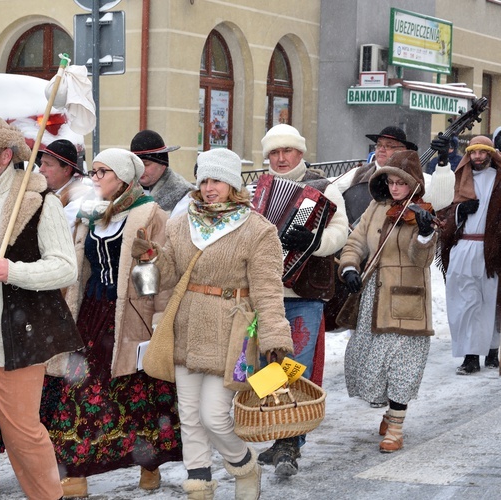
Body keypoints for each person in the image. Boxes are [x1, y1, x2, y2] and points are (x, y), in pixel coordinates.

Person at [132, 148, 293, 499]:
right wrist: (148, 259)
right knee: (189, 417)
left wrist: (275, 337)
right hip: (187, 324)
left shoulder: (257, 230)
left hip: (233, 331)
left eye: (216, 180)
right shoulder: (181, 222)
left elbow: (268, 290)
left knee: (214, 417)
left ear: (234, 184)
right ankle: (199, 487)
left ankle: (244, 465)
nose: (208, 187)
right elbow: (164, 279)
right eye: (204, 180)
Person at [0, 114, 82, 500]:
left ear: (6, 156)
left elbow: (64, 267)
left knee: (24, 438)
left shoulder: (37, 202)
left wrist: (14, 271)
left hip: (15, 345)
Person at [43, 148, 181, 498]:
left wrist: (147, 272)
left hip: (132, 316)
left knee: (138, 393)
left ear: (122, 176)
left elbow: (161, 276)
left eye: (103, 172)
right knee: (81, 391)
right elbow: (79, 266)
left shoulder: (150, 213)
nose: (95, 178)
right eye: (94, 171)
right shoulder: (90, 213)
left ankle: (149, 463)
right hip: (91, 313)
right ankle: (76, 470)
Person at [256, 124, 348, 476]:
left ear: (300, 153)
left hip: (304, 292)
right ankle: (278, 430)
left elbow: (342, 232)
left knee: (297, 367)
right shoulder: (257, 192)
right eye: (274, 153)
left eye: (287, 152)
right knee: (264, 369)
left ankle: (290, 443)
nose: (280, 159)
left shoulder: (325, 189)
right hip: (265, 295)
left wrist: (313, 241)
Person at [338, 149, 437, 453]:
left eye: (401, 183)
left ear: (414, 185)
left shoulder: (423, 214)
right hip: (375, 299)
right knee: (369, 362)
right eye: (391, 182)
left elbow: (422, 260)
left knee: (402, 366)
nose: (395, 188)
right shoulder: (376, 207)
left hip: (409, 301)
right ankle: (391, 412)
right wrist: (350, 266)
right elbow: (355, 240)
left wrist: (423, 233)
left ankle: (395, 428)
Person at [438, 135, 501, 374]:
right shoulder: (460, 181)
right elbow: (444, 212)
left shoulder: (498, 180)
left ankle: (492, 351)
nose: (477, 156)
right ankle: (471, 356)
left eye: (482, 152)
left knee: (491, 303)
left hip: (492, 250)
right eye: (473, 152)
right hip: (464, 249)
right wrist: (460, 211)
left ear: (490, 154)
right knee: (465, 304)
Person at [333, 126, 454, 219]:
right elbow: (331, 188)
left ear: (403, 150)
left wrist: (443, 162)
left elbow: (441, 201)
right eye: (379, 145)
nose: (381, 149)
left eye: (389, 146)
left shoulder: (418, 179)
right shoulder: (359, 172)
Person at [131, 129, 194, 215]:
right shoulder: (123, 190)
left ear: (162, 164)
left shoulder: (184, 196)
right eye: (136, 164)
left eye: (146, 164)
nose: (140, 169)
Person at [37, 138, 90, 233]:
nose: (41, 169)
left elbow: (54, 233)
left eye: (48, 164)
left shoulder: (78, 200)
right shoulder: (42, 194)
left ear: (66, 170)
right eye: (41, 163)